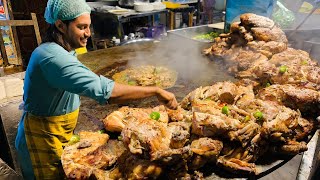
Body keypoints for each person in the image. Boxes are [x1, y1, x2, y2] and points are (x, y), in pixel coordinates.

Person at [14, 0, 178, 179]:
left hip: (55, 134)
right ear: (61, 25)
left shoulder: (63, 50)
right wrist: (155, 90)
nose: (88, 34)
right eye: (82, 27)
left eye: (89, 27)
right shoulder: (52, 57)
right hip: (40, 143)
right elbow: (105, 91)